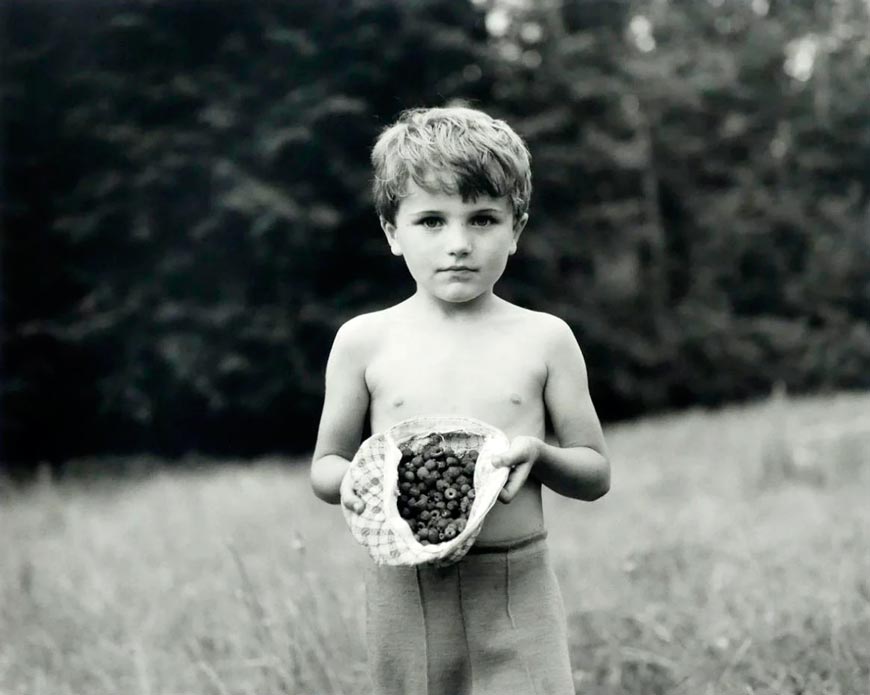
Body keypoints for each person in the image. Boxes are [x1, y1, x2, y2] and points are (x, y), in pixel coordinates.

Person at [310, 105, 610, 695]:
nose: (458, 244)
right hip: (406, 588)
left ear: (516, 229)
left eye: (482, 219)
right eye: (430, 221)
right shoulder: (363, 341)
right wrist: (352, 482)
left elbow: (595, 470)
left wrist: (540, 456)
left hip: (515, 579)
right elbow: (325, 466)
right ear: (392, 233)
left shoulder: (545, 338)